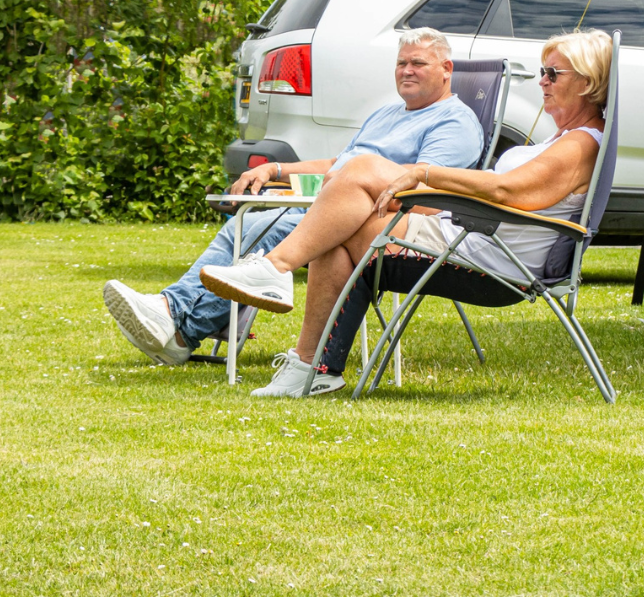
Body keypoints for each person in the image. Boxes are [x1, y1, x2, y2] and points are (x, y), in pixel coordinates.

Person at [200, 29, 612, 398]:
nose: (541, 81)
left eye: (553, 74)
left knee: (357, 179)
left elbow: (508, 191)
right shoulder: (558, 140)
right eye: (543, 71)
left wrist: (424, 172)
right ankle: (312, 366)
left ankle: (278, 276)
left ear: (589, 83)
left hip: (493, 263)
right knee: (342, 219)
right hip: (465, 239)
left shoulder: (581, 145)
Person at [102, 29, 483, 380]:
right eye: (401, 63)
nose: (407, 70)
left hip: (379, 223)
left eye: (418, 63)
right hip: (334, 207)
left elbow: (423, 191)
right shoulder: (385, 114)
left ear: (447, 69)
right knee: (244, 223)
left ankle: (175, 321)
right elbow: (338, 166)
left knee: (263, 228)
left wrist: (343, 192)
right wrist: (276, 169)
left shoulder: (455, 122)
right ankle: (177, 324)